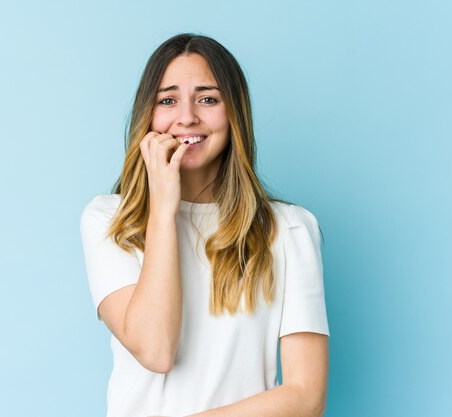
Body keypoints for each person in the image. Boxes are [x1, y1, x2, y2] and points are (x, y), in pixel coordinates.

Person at [80, 33, 329, 417]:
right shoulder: (111, 221)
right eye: (168, 100)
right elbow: (155, 349)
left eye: (208, 99)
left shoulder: (289, 228)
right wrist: (164, 208)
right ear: (147, 113)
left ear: (234, 115)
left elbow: (306, 397)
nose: (187, 117)